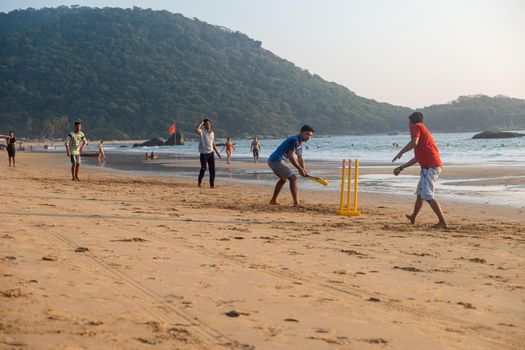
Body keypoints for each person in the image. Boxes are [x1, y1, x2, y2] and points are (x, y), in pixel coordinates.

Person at [392, 112, 447, 228]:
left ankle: (442, 222)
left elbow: (414, 142)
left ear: (412, 121)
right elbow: (417, 158)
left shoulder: (416, 127)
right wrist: (401, 167)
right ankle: (413, 217)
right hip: (427, 168)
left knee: (428, 195)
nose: (408, 125)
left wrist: (401, 151)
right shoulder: (422, 132)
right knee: (420, 195)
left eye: (408, 122)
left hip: (431, 168)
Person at [268, 125, 314, 206]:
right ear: (301, 132)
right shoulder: (295, 140)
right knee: (293, 178)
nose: (309, 137)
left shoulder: (299, 143)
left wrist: (303, 170)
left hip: (274, 161)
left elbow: (300, 158)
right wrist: (299, 169)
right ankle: (296, 203)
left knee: (283, 180)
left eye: (310, 136)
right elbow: (291, 156)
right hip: (276, 161)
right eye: (307, 134)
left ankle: (273, 201)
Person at [195, 119, 221, 188]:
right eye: (206, 124)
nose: (208, 125)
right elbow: (197, 129)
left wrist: (217, 153)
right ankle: (199, 182)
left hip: (211, 153)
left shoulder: (212, 133)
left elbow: (213, 144)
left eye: (209, 123)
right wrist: (201, 123)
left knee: (212, 169)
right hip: (203, 154)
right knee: (203, 168)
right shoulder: (202, 132)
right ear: (204, 126)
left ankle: (212, 184)